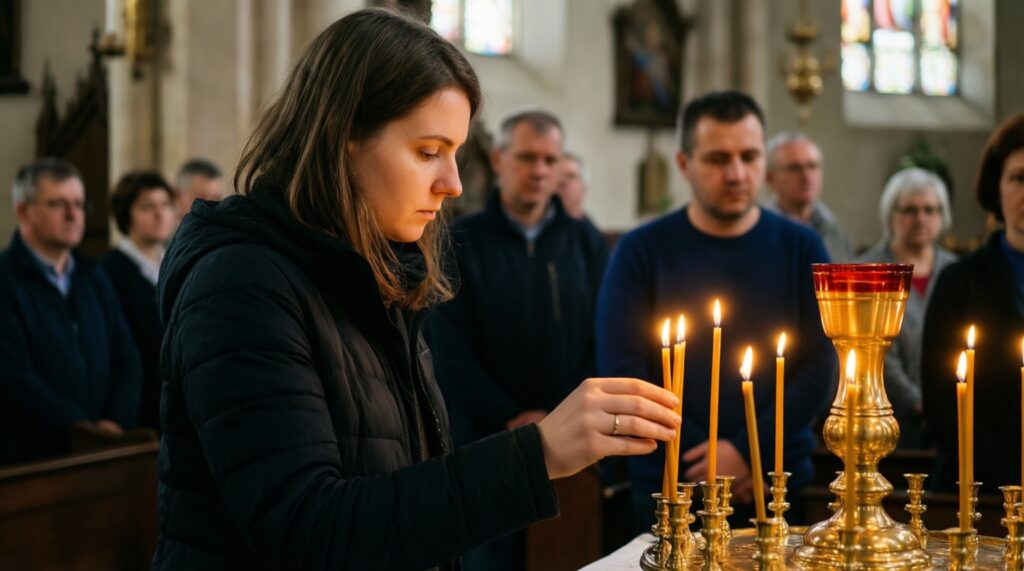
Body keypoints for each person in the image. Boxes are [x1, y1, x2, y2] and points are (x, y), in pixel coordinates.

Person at [152, 9, 679, 570]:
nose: (452, 184)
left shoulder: (373, 268)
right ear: (344, 137)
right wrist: (539, 453)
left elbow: (401, 479)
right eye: (429, 151)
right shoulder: (241, 284)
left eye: (455, 154)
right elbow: (308, 530)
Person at [596, 91, 835, 529]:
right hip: (669, 484)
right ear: (684, 164)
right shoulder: (641, 250)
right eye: (718, 159)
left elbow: (820, 365)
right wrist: (704, 461)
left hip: (776, 483)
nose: (737, 173)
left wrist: (745, 452)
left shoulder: (803, 247)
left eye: (749, 156)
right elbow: (624, 368)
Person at [428, 111, 609, 570]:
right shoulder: (459, 238)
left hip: (572, 443)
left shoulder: (585, 240)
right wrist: (511, 416)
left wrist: (561, 414)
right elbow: (447, 345)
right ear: (499, 159)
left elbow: (602, 336)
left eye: (550, 159)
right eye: (527, 158)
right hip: (485, 442)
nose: (540, 171)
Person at [0, 158, 142, 465]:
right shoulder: (5, 280)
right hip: (35, 461)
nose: (73, 215)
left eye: (79, 204)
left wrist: (116, 422)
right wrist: (82, 431)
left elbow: (127, 356)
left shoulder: (94, 276)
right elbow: (12, 376)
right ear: (23, 211)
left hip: (106, 450)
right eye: (58, 204)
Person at [922, 114, 1024, 492]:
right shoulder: (959, 282)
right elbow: (941, 397)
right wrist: (1009, 476)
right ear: (997, 187)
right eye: (1019, 178)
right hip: (977, 485)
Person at [856, 168, 956, 449]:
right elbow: (874, 352)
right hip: (886, 421)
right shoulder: (868, 270)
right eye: (910, 210)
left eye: (930, 210)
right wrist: (918, 403)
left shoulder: (956, 271)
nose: (921, 218)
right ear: (891, 215)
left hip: (952, 417)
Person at [101, 171, 177, 431]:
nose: (159, 214)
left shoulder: (176, 262)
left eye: (165, 204)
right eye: (147, 207)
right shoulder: (109, 271)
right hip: (140, 407)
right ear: (127, 214)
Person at [765, 132, 854, 262]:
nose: (806, 176)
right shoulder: (761, 232)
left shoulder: (835, 232)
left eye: (812, 166)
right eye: (794, 168)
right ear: (769, 178)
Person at [556, 152, 590, 221]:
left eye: (571, 176)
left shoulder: (588, 228)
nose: (563, 181)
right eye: (558, 176)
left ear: (583, 188)